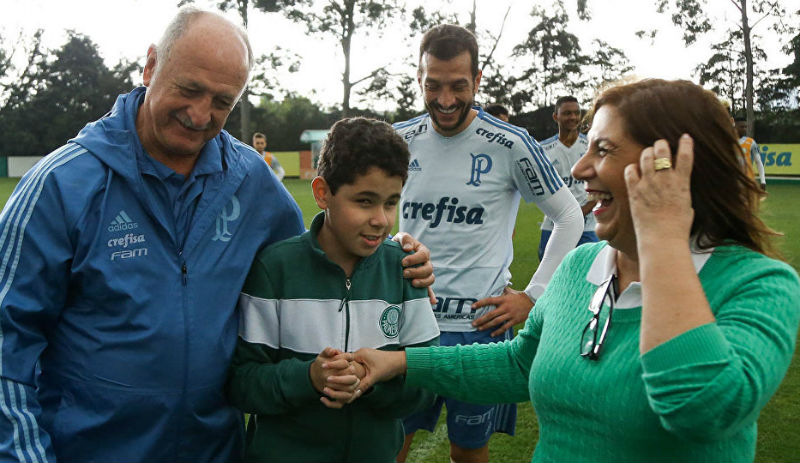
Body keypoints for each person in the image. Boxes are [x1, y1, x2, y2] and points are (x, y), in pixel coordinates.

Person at [0, 8, 433, 462]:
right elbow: (9, 344)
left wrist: (396, 256)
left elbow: (318, 255)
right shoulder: (61, 186)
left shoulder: (253, 183)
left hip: (216, 452)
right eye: (188, 89)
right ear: (150, 66)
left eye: (222, 102)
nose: (200, 114)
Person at [352, 79, 800, 462]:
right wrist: (397, 361)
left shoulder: (759, 285)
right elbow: (517, 363)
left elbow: (699, 409)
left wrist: (661, 238)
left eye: (602, 150)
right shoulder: (579, 265)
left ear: (672, 168)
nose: (582, 168)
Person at [393, 24, 583, 463]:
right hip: (408, 324)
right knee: (387, 445)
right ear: (419, 78)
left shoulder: (511, 144)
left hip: (480, 332)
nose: (444, 100)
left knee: (469, 452)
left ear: (477, 81)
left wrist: (532, 297)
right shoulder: (398, 141)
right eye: (433, 85)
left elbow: (570, 215)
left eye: (458, 86)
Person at [226, 117, 440, 462]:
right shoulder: (274, 269)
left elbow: (430, 379)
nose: (382, 220)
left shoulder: (404, 270)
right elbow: (243, 383)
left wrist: (371, 380)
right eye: (365, 201)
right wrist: (309, 377)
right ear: (323, 193)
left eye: (390, 202)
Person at [538, 96, 598, 261]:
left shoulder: (592, 146)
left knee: (590, 278)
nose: (573, 117)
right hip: (554, 225)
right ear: (556, 116)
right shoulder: (542, 149)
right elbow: (538, 189)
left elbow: (601, 184)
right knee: (549, 279)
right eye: (567, 113)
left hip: (587, 226)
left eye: (576, 113)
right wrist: (563, 214)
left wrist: (580, 212)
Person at [734, 118, 766, 191]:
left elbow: (758, 162)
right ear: (735, 126)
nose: (744, 129)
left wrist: (763, 181)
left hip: (747, 179)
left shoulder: (751, 142)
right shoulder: (729, 141)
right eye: (742, 127)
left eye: (745, 127)